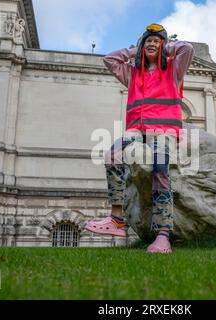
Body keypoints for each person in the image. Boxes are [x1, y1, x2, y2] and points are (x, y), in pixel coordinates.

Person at [85, 23, 194, 253]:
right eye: (148, 41)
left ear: (164, 46)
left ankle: (163, 234)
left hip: (163, 129)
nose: (152, 44)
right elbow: (110, 60)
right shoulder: (133, 72)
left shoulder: (174, 68)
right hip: (136, 129)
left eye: (156, 41)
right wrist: (136, 50)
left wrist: (166, 47)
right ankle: (116, 219)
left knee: (159, 170)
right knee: (112, 155)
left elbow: (188, 49)